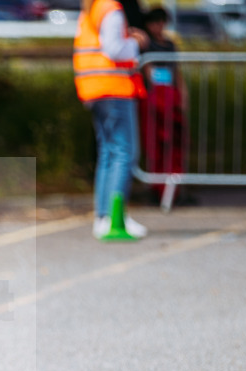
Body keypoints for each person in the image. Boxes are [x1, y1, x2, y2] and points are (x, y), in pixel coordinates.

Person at [74, 0, 150, 239]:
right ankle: (115, 218)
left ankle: (104, 217)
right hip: (114, 88)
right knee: (123, 153)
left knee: (108, 153)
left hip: (94, 89)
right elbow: (114, 49)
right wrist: (137, 42)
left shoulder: (92, 8)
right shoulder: (111, 8)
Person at [138, 7, 188, 202]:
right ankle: (156, 188)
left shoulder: (169, 44)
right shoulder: (146, 44)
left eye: (161, 22)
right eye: (154, 22)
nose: (158, 26)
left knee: (175, 145)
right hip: (154, 100)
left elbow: (177, 73)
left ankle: (173, 189)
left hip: (171, 99)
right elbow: (148, 71)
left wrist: (183, 96)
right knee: (155, 146)